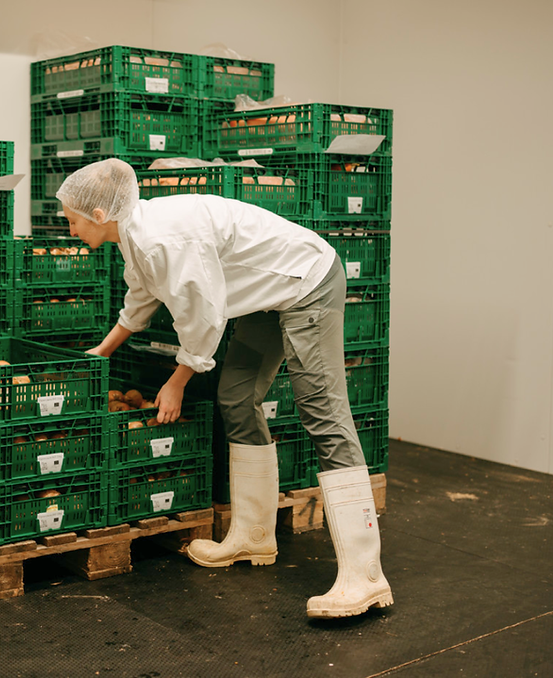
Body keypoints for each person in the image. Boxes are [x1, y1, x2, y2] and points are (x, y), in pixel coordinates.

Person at [56, 158, 393, 619]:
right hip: (267, 294)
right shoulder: (135, 234)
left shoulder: (162, 237)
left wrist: (177, 381)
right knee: (236, 397)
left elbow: (204, 317)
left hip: (306, 282)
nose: (70, 230)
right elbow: (141, 296)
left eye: (72, 220)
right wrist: (101, 352)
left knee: (321, 411)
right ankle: (254, 537)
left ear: (98, 215)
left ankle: (366, 576)